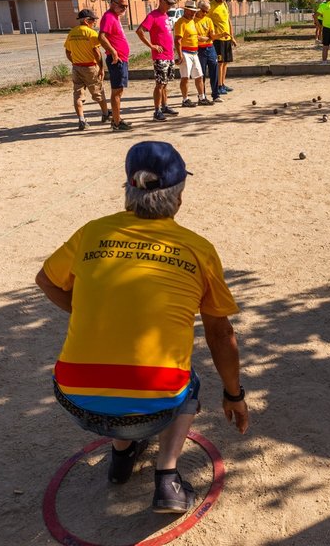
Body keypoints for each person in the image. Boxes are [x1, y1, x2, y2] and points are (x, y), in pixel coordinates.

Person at [35, 140, 249, 513]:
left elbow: (46, 280)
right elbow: (220, 333)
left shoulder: (91, 233)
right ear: (179, 196)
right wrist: (234, 394)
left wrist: (86, 310)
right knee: (186, 376)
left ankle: (121, 455)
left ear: (127, 191)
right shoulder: (198, 248)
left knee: (120, 375)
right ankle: (166, 477)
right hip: (157, 405)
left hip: (76, 399)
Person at [136, 0, 180, 122]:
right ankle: (157, 111)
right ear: (161, 1)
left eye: (172, 4)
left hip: (169, 55)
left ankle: (164, 106)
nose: (170, 6)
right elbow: (140, 31)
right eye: (168, 3)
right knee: (160, 84)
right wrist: (152, 46)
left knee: (165, 83)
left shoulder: (165, 15)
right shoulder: (152, 16)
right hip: (160, 56)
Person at [64, 8, 110, 131]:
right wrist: (101, 67)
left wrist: (74, 62)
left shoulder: (72, 33)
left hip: (77, 67)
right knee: (98, 92)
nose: (94, 22)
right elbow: (96, 52)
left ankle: (81, 120)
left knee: (78, 95)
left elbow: (68, 52)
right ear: (86, 20)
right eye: (93, 20)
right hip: (90, 67)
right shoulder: (91, 33)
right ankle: (105, 114)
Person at [98, 0, 133, 131]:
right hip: (116, 60)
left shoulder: (115, 17)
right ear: (112, 3)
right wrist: (113, 51)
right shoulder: (108, 17)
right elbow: (101, 37)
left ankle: (116, 119)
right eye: (122, 6)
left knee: (119, 90)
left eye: (126, 6)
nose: (124, 8)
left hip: (121, 59)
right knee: (117, 91)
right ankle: (117, 123)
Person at [174, 0, 213, 107]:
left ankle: (202, 97)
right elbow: (177, 40)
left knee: (199, 76)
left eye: (194, 11)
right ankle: (185, 99)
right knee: (185, 77)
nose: (193, 13)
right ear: (185, 10)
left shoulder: (191, 21)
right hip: (185, 52)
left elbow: (194, 36)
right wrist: (180, 54)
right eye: (191, 11)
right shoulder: (180, 22)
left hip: (194, 52)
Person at [208, 0, 237, 95]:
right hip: (218, 39)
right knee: (219, 63)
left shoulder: (224, 5)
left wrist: (232, 37)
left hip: (227, 38)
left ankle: (223, 83)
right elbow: (207, 21)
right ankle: (218, 86)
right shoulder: (211, 6)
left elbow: (228, 21)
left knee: (225, 63)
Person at [195, 0, 222, 103]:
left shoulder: (208, 20)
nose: (205, 13)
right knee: (201, 74)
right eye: (203, 11)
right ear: (198, 8)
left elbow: (212, 36)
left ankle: (216, 95)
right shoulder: (193, 21)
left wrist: (221, 35)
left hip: (210, 48)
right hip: (199, 50)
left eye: (207, 11)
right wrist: (199, 38)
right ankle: (202, 96)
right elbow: (191, 34)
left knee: (214, 72)